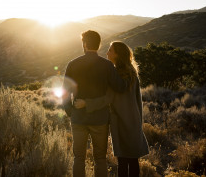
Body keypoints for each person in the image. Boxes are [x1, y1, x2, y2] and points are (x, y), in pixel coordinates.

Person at [74, 41, 149, 177]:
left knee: (123, 162)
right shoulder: (132, 73)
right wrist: (139, 122)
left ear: (117, 54)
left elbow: (107, 99)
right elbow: (139, 102)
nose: (107, 53)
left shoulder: (116, 75)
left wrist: (86, 103)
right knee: (133, 161)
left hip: (121, 122)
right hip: (134, 121)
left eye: (110, 50)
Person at [62, 31, 128, 177]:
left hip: (78, 118)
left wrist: (71, 112)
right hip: (100, 120)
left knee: (78, 158)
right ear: (98, 45)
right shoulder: (107, 65)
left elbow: (65, 93)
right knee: (100, 158)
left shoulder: (73, 64)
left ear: (84, 44)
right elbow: (120, 87)